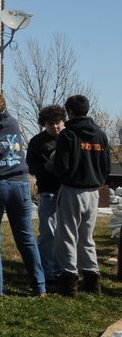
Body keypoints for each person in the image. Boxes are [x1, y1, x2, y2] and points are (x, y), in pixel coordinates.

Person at [0, 91, 45, 297]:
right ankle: (39, 286)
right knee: (26, 237)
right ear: (3, 106)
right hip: (20, 183)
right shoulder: (13, 124)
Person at [53, 95, 111, 296]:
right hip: (93, 192)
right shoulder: (101, 135)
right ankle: (92, 279)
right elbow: (106, 166)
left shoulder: (68, 135)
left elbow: (61, 165)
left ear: (70, 111)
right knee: (86, 236)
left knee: (67, 235)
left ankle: (69, 282)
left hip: (72, 190)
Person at [26, 105, 66, 286]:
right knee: (48, 232)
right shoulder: (37, 142)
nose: (55, 127)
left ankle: (64, 269)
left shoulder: (69, 138)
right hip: (47, 191)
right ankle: (47, 271)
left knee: (65, 233)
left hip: (68, 191)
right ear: (44, 124)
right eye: (51, 124)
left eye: (58, 123)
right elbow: (30, 166)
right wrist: (44, 168)